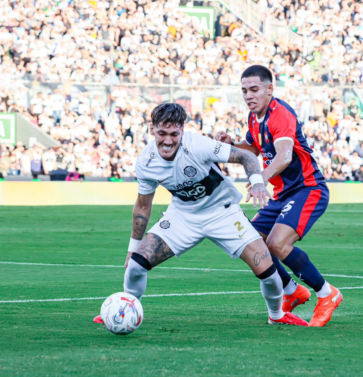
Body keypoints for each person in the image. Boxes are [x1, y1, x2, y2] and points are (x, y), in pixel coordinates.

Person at [94, 103, 308, 327]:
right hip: (183, 216)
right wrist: (132, 248)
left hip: (223, 213)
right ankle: (125, 307)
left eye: (174, 134)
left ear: (182, 131)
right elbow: (142, 206)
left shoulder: (198, 145)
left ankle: (277, 315)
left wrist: (257, 183)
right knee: (136, 265)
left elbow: (246, 156)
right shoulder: (146, 162)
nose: (168, 140)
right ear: (152, 129)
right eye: (162, 133)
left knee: (267, 270)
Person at [215, 65, 342, 327]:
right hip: (283, 194)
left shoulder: (280, 114)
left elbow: (284, 155)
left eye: (254, 89)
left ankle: (327, 294)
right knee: (251, 242)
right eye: (244, 91)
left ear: (270, 89)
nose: (249, 96)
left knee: (277, 244)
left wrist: (259, 178)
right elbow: (251, 149)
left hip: (307, 189)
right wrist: (230, 145)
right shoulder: (254, 118)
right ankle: (292, 290)